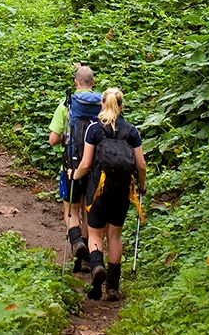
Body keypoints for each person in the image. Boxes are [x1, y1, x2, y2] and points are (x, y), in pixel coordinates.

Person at [73, 87, 146, 302]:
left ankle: (97, 266)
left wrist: (74, 175)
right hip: (122, 192)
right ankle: (113, 287)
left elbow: (86, 163)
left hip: (98, 190)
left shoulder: (94, 130)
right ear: (122, 106)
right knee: (114, 235)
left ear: (102, 105)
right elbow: (141, 166)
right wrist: (142, 187)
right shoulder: (131, 131)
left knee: (95, 234)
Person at [49, 66, 100, 274]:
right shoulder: (103, 105)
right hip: (95, 168)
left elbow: (53, 140)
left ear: (75, 83)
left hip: (72, 166)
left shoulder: (67, 105)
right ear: (93, 82)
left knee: (72, 210)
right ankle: (87, 259)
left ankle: (76, 240)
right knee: (89, 211)